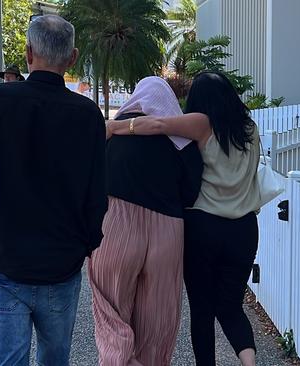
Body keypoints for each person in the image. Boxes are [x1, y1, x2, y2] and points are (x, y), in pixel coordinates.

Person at [0, 15, 107, 366]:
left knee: (7, 360)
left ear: (28, 53)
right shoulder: (87, 114)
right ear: (71, 58)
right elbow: (96, 190)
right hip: (62, 263)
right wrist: (87, 243)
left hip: (6, 261)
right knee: (56, 359)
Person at [106, 71, 261, 366]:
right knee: (231, 308)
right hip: (244, 230)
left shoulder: (203, 123)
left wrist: (115, 126)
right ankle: (250, 362)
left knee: (202, 310)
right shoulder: (250, 129)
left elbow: (157, 124)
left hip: (204, 227)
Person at [89, 76, 203, 365]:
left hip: (116, 225)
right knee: (157, 325)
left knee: (110, 310)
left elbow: (91, 185)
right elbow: (191, 192)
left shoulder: (111, 135)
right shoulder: (182, 141)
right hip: (167, 231)